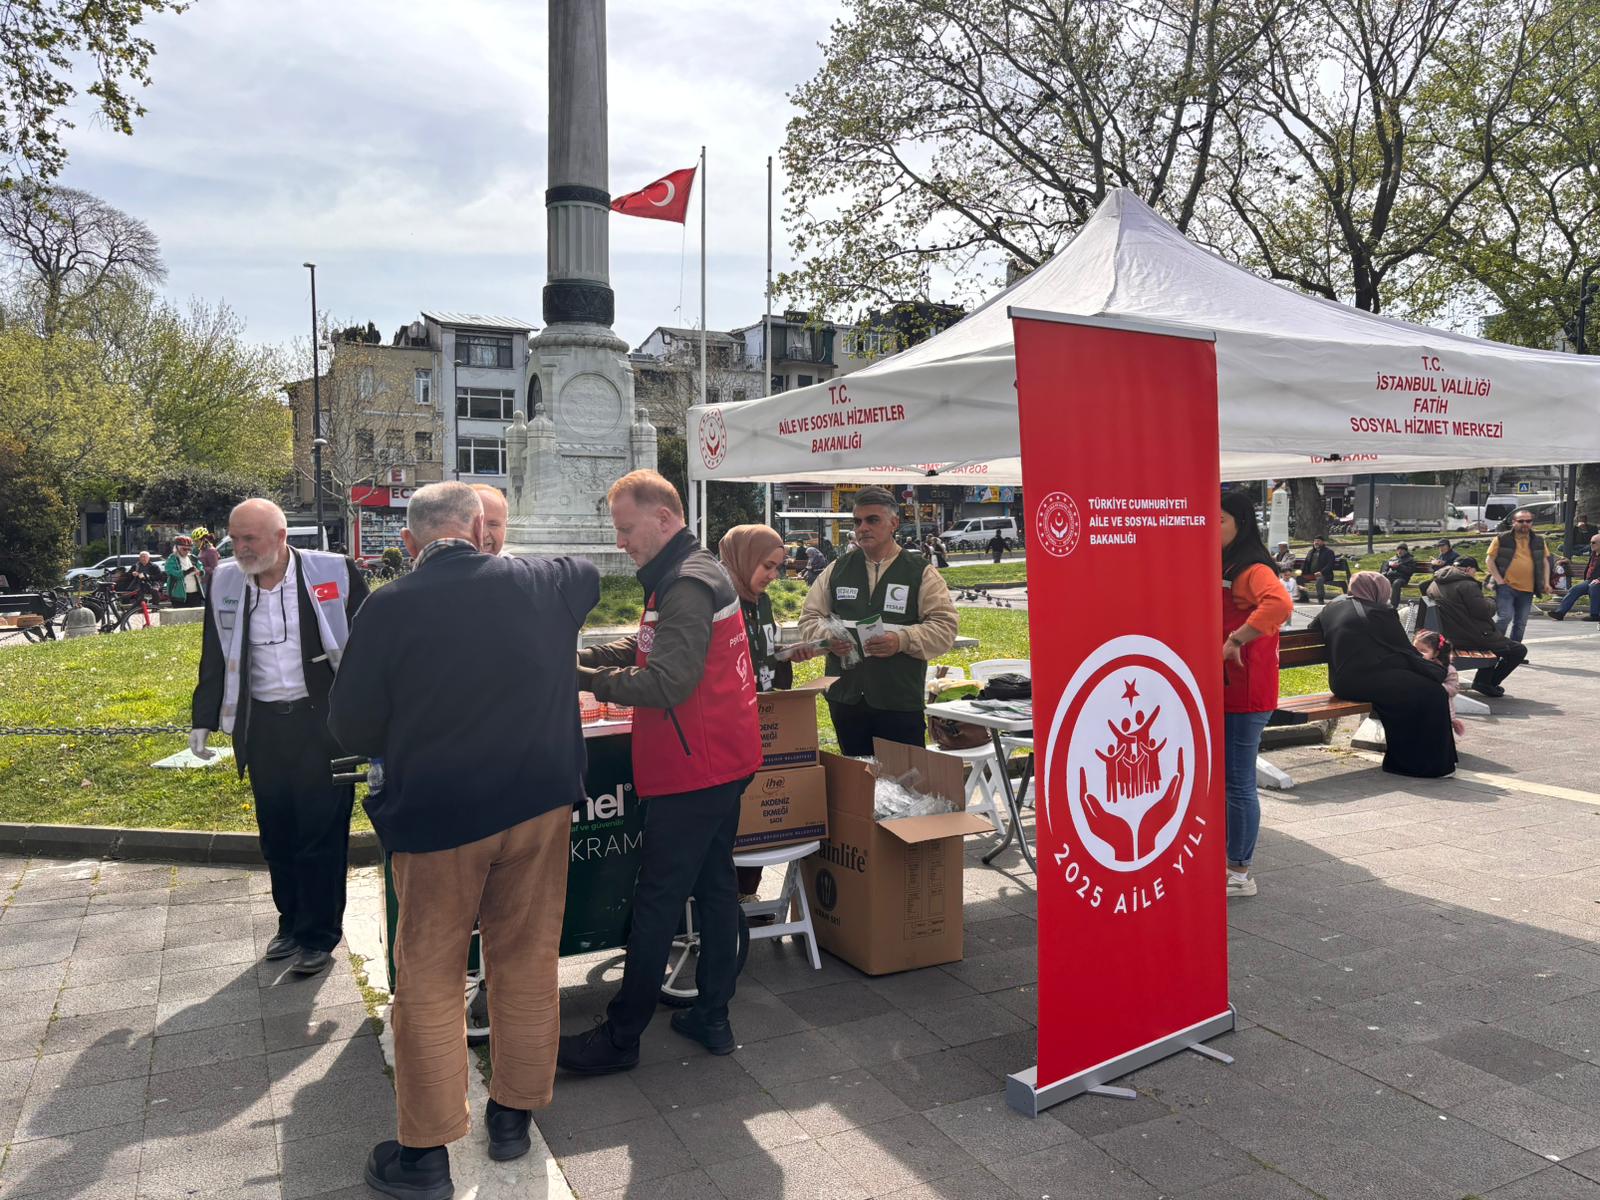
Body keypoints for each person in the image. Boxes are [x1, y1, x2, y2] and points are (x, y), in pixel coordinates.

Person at [327, 482, 599, 1198]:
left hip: (440, 814)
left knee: (430, 975)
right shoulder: (546, 583)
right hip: (538, 803)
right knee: (527, 959)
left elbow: (351, 724)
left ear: (409, 544)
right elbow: (587, 570)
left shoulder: (389, 605)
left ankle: (424, 1155)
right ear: (483, 530)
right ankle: (513, 1114)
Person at [558, 470, 763, 1075]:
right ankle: (712, 1015)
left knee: (657, 901)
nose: (620, 541)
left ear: (664, 518)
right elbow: (649, 646)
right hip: (722, 759)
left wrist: (584, 680)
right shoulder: (686, 573)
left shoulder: (686, 583)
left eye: (626, 529)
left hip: (695, 768)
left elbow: (668, 681)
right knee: (716, 888)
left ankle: (622, 1036)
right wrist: (579, 659)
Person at [189, 499, 369, 975]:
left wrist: (378, 716)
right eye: (235, 538)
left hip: (322, 726)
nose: (241, 547)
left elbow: (372, 646)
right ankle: (290, 924)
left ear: (281, 537)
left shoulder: (334, 571)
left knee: (321, 834)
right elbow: (214, 652)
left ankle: (319, 935)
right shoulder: (225, 581)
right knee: (277, 833)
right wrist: (203, 718)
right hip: (263, 726)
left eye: (250, 538)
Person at [799, 486, 960, 756]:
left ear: (894, 523)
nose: (862, 528)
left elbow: (945, 627)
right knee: (856, 777)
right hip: (846, 700)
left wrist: (901, 640)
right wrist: (828, 638)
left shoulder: (920, 572)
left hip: (898, 701)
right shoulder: (837, 569)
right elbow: (808, 618)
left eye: (872, 520)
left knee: (906, 779)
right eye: (857, 521)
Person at [719, 523, 819, 907]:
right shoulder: (716, 600)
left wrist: (789, 655)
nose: (774, 576)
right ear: (743, 559)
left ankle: (747, 894)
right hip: (727, 728)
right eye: (767, 566)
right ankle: (720, 899)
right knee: (731, 816)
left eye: (779, 567)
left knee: (759, 806)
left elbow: (766, 652)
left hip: (763, 721)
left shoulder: (760, 601)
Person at [1310, 572, 1456, 778]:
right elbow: (1404, 649)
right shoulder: (1379, 612)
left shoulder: (1333, 606)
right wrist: (1434, 669)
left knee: (1424, 691)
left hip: (1343, 681)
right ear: (1377, 590)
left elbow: (1313, 629)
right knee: (1431, 692)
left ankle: (1429, 760)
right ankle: (1417, 763)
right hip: (1366, 678)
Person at [1220, 489, 1292, 899]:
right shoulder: (1223, 561)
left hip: (1244, 693)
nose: (1211, 529)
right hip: (1224, 689)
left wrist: (1236, 639)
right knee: (1227, 780)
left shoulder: (1251, 568)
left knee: (1238, 782)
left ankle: (1239, 872)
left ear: (1241, 524)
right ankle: (1227, 861)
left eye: (1220, 521)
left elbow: (1279, 604)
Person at [1424, 556, 1528, 697]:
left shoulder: (1435, 582)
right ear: (1468, 569)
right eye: (1475, 571)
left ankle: (1483, 681)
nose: (1475, 574)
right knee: (1518, 650)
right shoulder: (1467, 585)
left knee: (1497, 643)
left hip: (1452, 633)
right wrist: (1492, 601)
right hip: (1467, 636)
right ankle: (1486, 683)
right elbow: (1483, 612)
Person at [1485, 509, 1550, 642]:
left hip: (1528, 588)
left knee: (1521, 623)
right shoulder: (1502, 538)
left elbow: (1545, 562)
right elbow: (1489, 560)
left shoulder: (1538, 540)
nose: (1525, 524)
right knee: (1505, 617)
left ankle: (1515, 649)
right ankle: (1494, 646)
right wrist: (1499, 580)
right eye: (1521, 521)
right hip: (1506, 586)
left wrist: (1546, 582)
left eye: (1528, 521)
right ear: (1514, 522)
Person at [1413, 629, 1466, 737]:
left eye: (1423, 650)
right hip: (1419, 706)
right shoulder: (1413, 664)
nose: (1418, 653)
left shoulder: (1446, 669)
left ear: (1435, 653)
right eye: (1415, 649)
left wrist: (1436, 686)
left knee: (1435, 733)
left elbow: (1453, 689)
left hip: (1440, 709)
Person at [1550, 533, 1600, 621]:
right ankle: (1560, 613)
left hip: (1597, 582)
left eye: (1593, 542)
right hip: (1590, 581)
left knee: (1593, 587)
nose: (1591, 544)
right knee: (1575, 589)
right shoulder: (1593, 553)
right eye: (1590, 542)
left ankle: (1594, 615)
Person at [468, 483, 510, 556]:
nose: (483, 534)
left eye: (493, 525)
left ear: (506, 526)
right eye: (474, 524)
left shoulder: (516, 563)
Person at [165, 535, 206, 607]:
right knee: (181, 614)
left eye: (189, 549)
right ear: (177, 548)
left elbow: (201, 568)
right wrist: (187, 571)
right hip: (179, 596)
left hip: (195, 594)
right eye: (184, 549)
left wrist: (200, 572)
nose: (187, 551)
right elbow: (172, 573)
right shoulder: (172, 559)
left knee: (196, 614)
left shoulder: (193, 558)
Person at [1298, 536, 1340, 604]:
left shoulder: (1329, 552)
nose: (1316, 542)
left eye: (1318, 541)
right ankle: (1304, 597)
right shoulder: (1311, 552)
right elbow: (1305, 563)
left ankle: (1320, 599)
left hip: (1325, 575)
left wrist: (1321, 572)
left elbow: (1330, 564)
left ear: (1323, 542)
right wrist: (1301, 571)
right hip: (1312, 575)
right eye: (1315, 541)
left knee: (1319, 579)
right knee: (1299, 578)